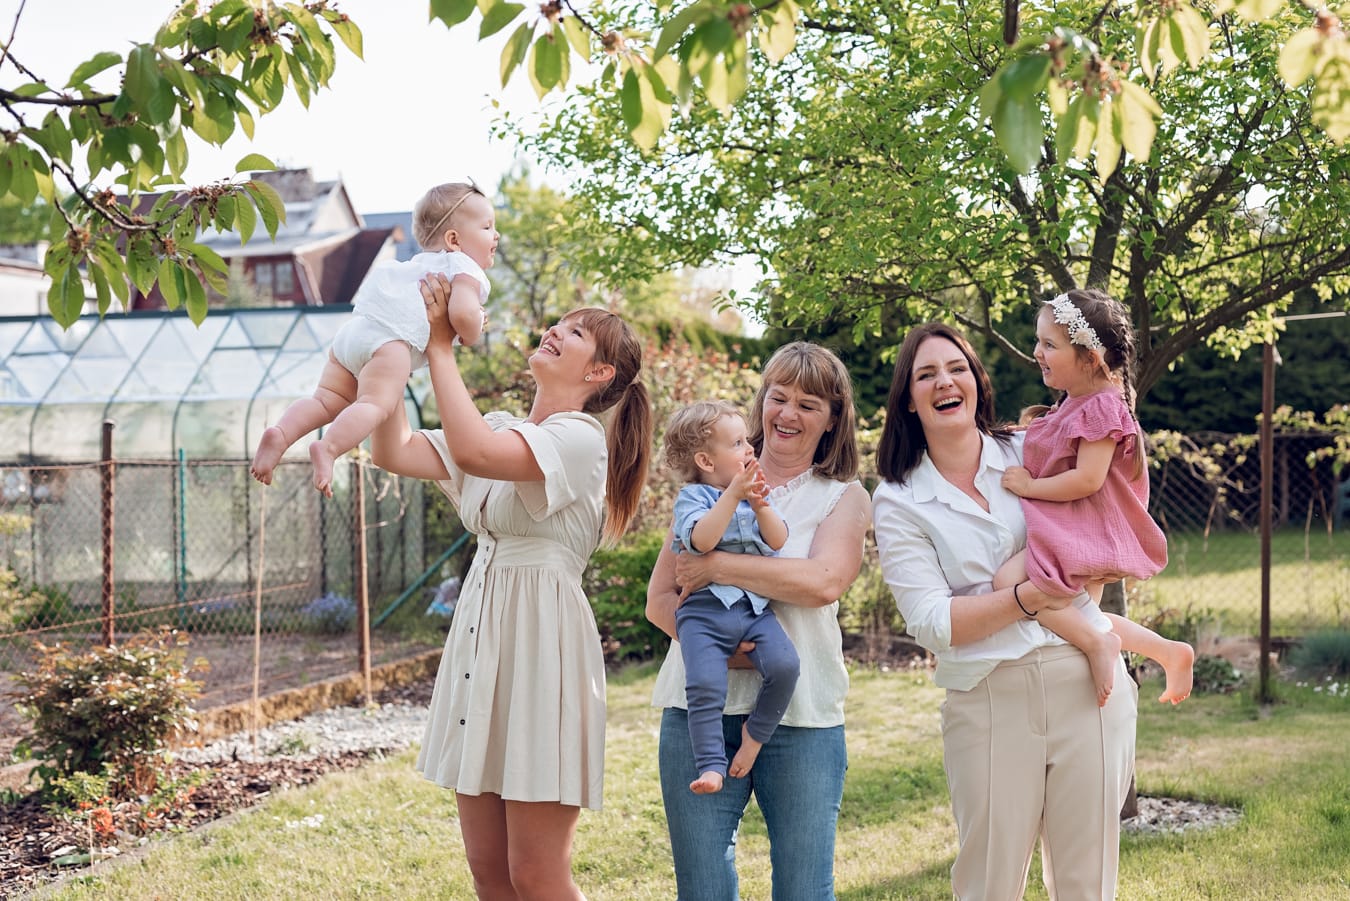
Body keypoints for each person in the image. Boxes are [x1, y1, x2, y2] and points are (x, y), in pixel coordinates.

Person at [370, 272, 652, 899]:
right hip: (482, 645)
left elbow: (475, 455)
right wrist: (396, 349)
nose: (554, 331)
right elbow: (394, 450)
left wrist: (442, 350)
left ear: (598, 374)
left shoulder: (577, 439)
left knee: (537, 873)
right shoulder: (498, 425)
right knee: (490, 874)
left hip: (542, 652)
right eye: (560, 323)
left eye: (575, 333)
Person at [872, 321, 1137, 900]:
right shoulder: (897, 499)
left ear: (977, 380)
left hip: (1088, 689)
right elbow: (935, 625)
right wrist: (1026, 598)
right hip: (990, 700)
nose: (945, 382)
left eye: (956, 368)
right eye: (926, 375)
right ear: (909, 401)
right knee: (988, 884)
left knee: (1087, 883)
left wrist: (1051, 592)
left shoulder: (1032, 448)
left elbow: (1106, 532)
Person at [646, 343, 870, 899]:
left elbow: (823, 582)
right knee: (703, 890)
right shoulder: (707, 489)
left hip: (803, 718)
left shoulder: (843, 496)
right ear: (762, 401)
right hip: (699, 708)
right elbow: (660, 600)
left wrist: (717, 564)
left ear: (833, 418)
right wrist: (729, 653)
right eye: (780, 397)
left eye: (809, 403)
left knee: (803, 890)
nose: (788, 414)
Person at [994, 288, 1194, 706]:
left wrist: (1030, 487)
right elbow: (1058, 445)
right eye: (1038, 341)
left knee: (1009, 583)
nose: (1037, 352)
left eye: (1050, 344)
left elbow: (1087, 479)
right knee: (1087, 617)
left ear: (1089, 357)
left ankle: (1101, 646)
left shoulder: (1101, 406)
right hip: (1077, 527)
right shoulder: (1078, 401)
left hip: (1085, 530)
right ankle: (1166, 651)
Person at [251, 181, 497, 496]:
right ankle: (328, 448)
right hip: (389, 346)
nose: (496, 235)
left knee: (325, 400)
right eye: (488, 227)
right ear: (454, 240)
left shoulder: (416, 265)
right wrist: (475, 326)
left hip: (353, 334)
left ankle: (281, 434)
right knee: (373, 404)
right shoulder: (465, 267)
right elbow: (463, 315)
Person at [663, 400, 798, 795]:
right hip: (704, 614)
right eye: (738, 443)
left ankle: (755, 732)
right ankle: (710, 766)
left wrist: (759, 504)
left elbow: (778, 540)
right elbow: (701, 540)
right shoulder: (694, 499)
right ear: (706, 460)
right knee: (705, 684)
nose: (750, 448)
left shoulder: (753, 496)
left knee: (786, 665)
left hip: (752, 609)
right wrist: (733, 496)